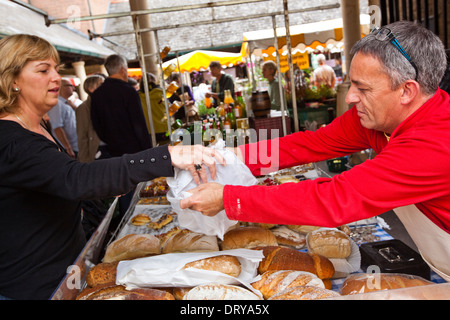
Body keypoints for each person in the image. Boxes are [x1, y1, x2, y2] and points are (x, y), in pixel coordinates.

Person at [179, 21, 450, 281]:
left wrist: (230, 199)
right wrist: (227, 157)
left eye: (362, 88)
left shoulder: (435, 142)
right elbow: (309, 144)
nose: (350, 97)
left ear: (406, 91)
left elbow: (335, 198)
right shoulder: (378, 118)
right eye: (352, 83)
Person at [0, 34, 225, 300]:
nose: (56, 77)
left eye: (56, 69)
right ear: (12, 80)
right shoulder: (10, 139)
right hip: (34, 287)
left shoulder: (37, 126)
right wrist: (164, 156)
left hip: (67, 273)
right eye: (43, 70)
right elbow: (75, 178)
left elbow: (60, 183)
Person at [91, 54, 152, 216]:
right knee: (143, 190)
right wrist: (149, 151)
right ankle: (146, 218)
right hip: (135, 149)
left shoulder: (97, 95)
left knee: (124, 188)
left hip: (113, 150)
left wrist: (111, 141)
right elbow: (139, 124)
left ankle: (127, 221)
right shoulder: (128, 91)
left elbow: (96, 125)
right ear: (123, 70)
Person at [75, 74, 105, 163]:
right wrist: (85, 160)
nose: (104, 87)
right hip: (97, 151)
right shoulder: (83, 108)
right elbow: (82, 135)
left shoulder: (107, 104)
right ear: (91, 89)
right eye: (101, 84)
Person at [47, 78, 79, 158]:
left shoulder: (66, 103)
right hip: (70, 149)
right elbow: (57, 127)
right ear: (62, 87)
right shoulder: (57, 104)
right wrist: (68, 148)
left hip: (76, 147)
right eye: (71, 86)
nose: (74, 88)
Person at [139, 72, 169, 144]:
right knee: (166, 152)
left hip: (147, 131)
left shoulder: (138, 96)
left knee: (152, 154)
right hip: (164, 129)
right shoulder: (162, 93)